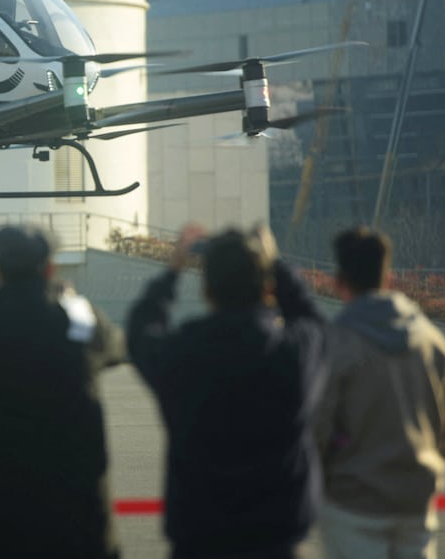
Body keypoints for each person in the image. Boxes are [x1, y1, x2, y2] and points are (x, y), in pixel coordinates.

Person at [128, 223, 327, 558]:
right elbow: (314, 322)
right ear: (267, 288)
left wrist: (173, 270)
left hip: (199, 542)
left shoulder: (180, 355)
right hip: (276, 543)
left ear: (206, 289)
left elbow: (141, 329)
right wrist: (276, 264)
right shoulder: (292, 355)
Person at [0, 224, 126, 559]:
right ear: (50, 268)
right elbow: (113, 347)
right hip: (75, 513)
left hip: (4, 518)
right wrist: (73, 301)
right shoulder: (76, 321)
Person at [315, 227, 445, 559]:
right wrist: (431, 466)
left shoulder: (335, 344)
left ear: (340, 280)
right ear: (389, 277)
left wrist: (327, 481)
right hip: (415, 497)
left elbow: (318, 425)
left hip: (353, 502)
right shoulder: (431, 340)